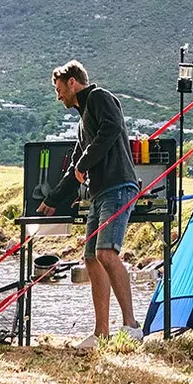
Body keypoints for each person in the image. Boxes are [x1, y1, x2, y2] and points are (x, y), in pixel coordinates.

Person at [39, 60, 142, 348]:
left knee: (107, 253)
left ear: (73, 83)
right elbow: (75, 166)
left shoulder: (99, 98)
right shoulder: (82, 120)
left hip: (118, 186)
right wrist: (52, 201)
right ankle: (101, 333)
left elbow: (110, 131)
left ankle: (131, 325)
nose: (58, 95)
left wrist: (84, 162)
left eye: (59, 89)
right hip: (99, 193)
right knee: (91, 258)